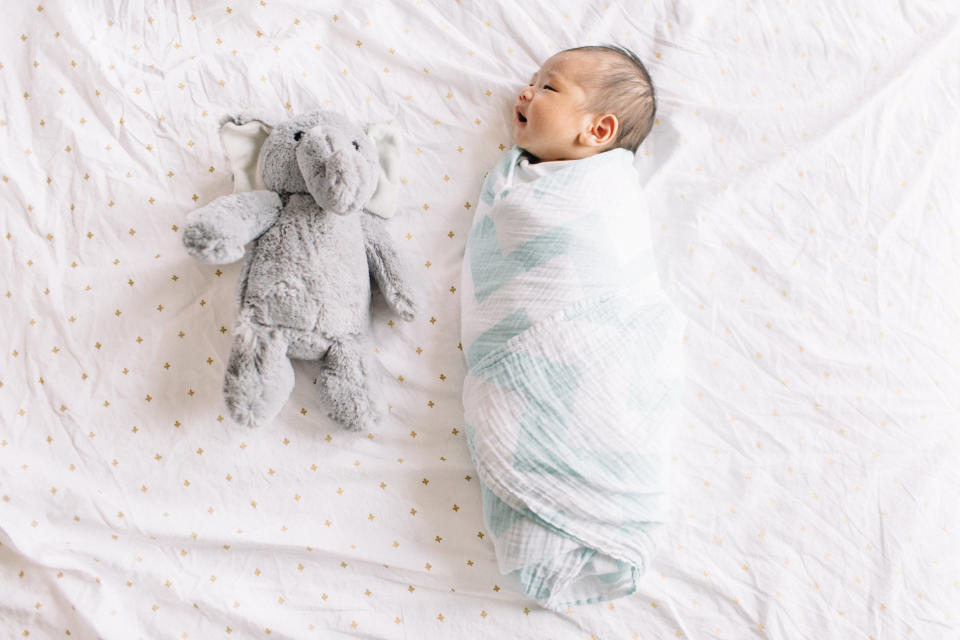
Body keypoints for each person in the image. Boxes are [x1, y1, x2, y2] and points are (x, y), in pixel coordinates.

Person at [459, 45, 684, 610]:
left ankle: (603, 501)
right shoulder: (521, 184)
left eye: (548, 87)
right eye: (533, 82)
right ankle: (544, 521)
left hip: (604, 337)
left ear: (598, 130)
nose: (526, 92)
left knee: (607, 395)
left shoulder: (605, 193)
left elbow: (620, 289)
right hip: (524, 343)